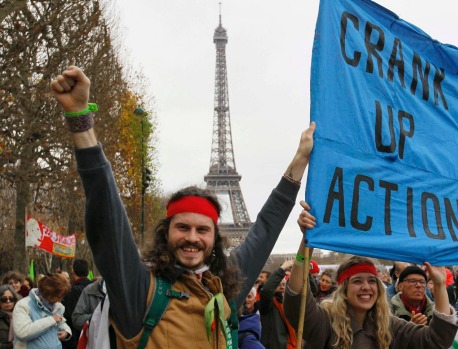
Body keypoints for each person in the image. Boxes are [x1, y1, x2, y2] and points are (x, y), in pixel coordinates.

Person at [50, 66, 314, 348]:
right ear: (166, 232)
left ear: (215, 236)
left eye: (202, 229)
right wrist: (81, 121)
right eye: (183, 227)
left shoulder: (225, 287)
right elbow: (106, 214)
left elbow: (265, 230)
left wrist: (299, 160)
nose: (192, 237)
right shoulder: (139, 289)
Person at [285, 201, 458, 348]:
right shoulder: (326, 321)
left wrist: (440, 285)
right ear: (344, 289)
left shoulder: (389, 326)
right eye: (357, 281)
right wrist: (306, 242)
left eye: (371, 281)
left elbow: (437, 340)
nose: (366, 287)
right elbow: (296, 301)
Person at [13, 274, 72, 348]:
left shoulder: (58, 307)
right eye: (58, 297)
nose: (59, 300)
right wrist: (51, 320)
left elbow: (61, 322)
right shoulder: (23, 305)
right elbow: (22, 332)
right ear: (48, 292)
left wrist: (66, 331)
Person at [259, 260, 297, 349]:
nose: (282, 287)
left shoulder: (290, 304)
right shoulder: (269, 304)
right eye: (279, 284)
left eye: (284, 284)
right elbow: (266, 291)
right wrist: (281, 269)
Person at [61, 259, 92, 349]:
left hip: (74, 338)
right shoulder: (96, 289)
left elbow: (68, 315)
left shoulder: (71, 291)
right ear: (88, 272)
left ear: (73, 272)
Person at [0, 285, 21, 349]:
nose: (8, 301)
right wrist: (11, 345)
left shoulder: (21, 315)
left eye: (11, 299)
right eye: (4, 299)